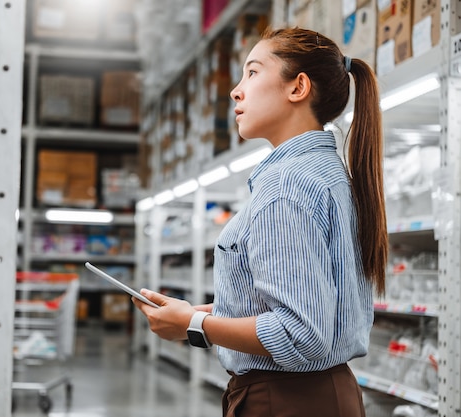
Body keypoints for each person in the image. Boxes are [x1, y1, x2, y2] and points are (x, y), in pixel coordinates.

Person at [132, 27, 388, 417]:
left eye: (252, 73)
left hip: (287, 401)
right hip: (321, 394)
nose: (236, 91)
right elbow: (300, 307)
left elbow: (300, 334)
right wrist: (191, 315)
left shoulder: (286, 187)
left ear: (298, 88)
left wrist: (194, 322)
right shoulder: (324, 172)